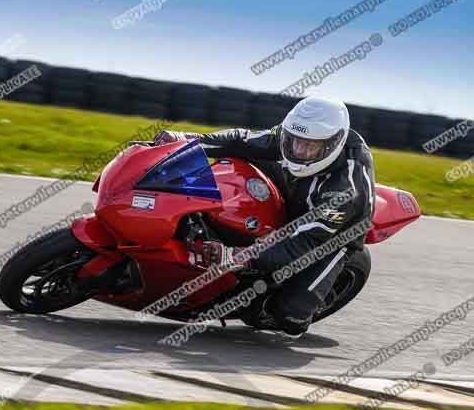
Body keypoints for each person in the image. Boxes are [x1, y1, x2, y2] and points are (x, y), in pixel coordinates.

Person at [153, 96, 375, 337]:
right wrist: (185, 141)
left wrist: (235, 256)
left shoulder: (346, 191)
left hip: (330, 236)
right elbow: (242, 140)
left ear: (334, 144)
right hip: (300, 187)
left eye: (309, 147)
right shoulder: (293, 139)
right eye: (294, 142)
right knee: (243, 152)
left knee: (290, 317)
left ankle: (271, 302)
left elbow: (300, 244)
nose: (298, 151)